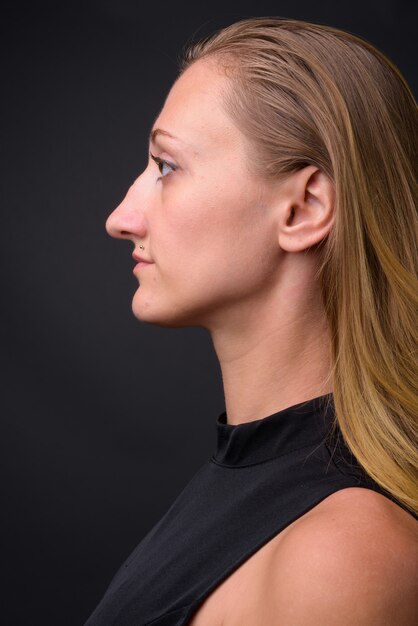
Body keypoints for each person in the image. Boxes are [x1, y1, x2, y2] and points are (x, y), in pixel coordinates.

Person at [84, 16, 418, 626]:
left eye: (166, 167)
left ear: (304, 207)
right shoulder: (246, 486)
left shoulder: (340, 557)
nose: (121, 217)